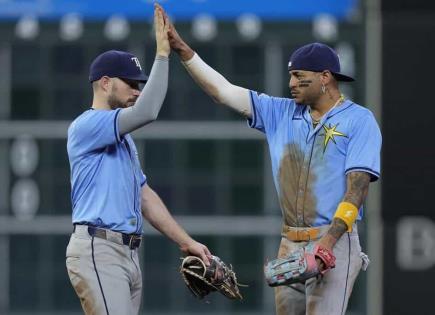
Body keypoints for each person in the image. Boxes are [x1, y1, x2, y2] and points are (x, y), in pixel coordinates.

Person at [165, 11, 381, 315]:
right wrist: (183, 51)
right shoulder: (280, 112)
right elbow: (223, 92)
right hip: (290, 242)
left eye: (299, 76)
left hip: (333, 239)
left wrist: (328, 244)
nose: (291, 82)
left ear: (325, 77)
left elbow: (357, 188)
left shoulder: (359, 120)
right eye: (291, 75)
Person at [65, 5, 212, 315]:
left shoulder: (124, 140)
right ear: (105, 83)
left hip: (128, 254)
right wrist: (162, 53)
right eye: (130, 83)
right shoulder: (87, 125)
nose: (137, 90)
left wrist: (185, 241)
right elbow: (147, 111)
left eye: (139, 84)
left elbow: (145, 198)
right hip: (98, 248)